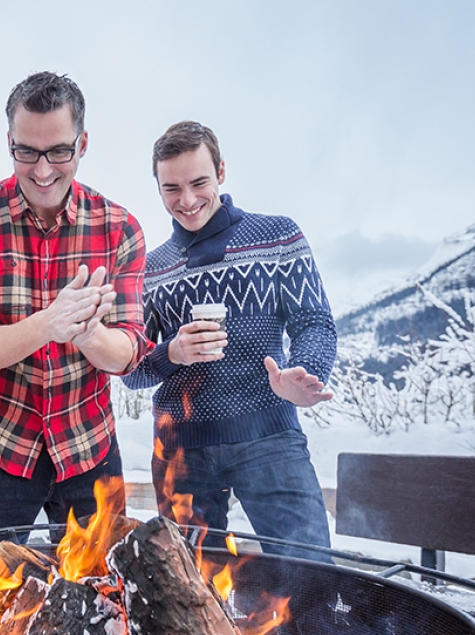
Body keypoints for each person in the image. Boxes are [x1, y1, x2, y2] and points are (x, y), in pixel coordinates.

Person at [0, 72, 149, 549]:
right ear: (9, 142)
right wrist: (48, 323)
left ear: (83, 143)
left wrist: (86, 334)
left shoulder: (120, 229)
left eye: (59, 151)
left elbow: (128, 355)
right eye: (26, 152)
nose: (42, 170)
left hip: (88, 446)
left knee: (104, 599)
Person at [122, 120, 336, 563]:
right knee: (188, 596)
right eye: (172, 189)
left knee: (311, 577)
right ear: (158, 188)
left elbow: (314, 321)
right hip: (180, 451)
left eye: (199, 182)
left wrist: (304, 373)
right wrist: (172, 353)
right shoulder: (152, 268)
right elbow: (133, 370)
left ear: (221, 171)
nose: (187, 200)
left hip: (270, 437)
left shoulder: (278, 236)